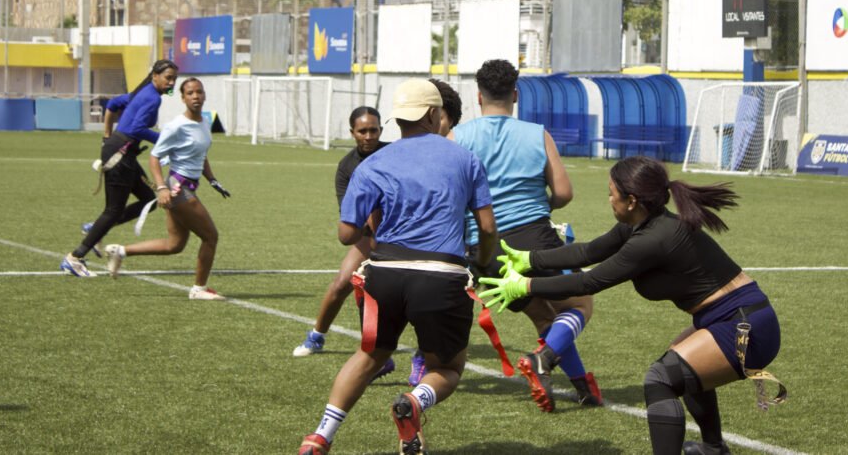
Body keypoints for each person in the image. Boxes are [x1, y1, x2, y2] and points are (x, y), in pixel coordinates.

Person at [481, 156, 783, 455]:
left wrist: (526, 285)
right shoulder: (642, 224)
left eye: (611, 192)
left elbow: (589, 282)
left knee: (661, 380)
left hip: (746, 327)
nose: (609, 198)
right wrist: (530, 260)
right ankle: (713, 448)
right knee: (682, 371)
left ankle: (712, 448)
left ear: (631, 200)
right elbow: (588, 252)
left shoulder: (652, 239)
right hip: (729, 318)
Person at [298, 78, 497, 455]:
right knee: (449, 368)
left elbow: (345, 234)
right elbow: (487, 227)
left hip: (384, 273)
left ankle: (320, 435)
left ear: (397, 119)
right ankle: (415, 402)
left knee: (371, 354)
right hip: (442, 275)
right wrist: (482, 261)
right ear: (435, 114)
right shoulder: (464, 158)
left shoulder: (374, 163)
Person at [450, 59, 601, 412]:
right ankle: (542, 360)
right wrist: (538, 205)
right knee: (580, 305)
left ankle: (583, 389)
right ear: (515, 95)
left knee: (545, 316)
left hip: (482, 248)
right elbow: (563, 193)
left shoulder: (458, 137)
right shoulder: (536, 134)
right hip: (534, 240)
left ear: (478, 96)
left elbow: (452, 198)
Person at [103, 77, 231, 301]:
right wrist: (161, 187)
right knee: (211, 236)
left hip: (189, 186)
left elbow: (201, 155)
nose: (195, 96)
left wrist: (212, 179)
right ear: (182, 98)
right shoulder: (176, 126)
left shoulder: (204, 123)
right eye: (190, 93)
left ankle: (120, 251)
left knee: (175, 245)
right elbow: (155, 157)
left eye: (199, 92)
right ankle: (199, 289)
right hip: (177, 189)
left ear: (204, 95)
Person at [293, 106, 396, 379]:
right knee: (342, 283)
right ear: (352, 133)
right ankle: (316, 335)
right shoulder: (347, 167)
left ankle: (386, 354)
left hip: (402, 234)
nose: (368, 135)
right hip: (369, 236)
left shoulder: (395, 153)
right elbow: (350, 216)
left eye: (374, 130)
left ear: (381, 131)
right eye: (362, 131)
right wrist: (371, 230)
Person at [62, 59, 179, 277]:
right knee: (113, 209)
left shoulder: (144, 93)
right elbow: (138, 128)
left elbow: (114, 105)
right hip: (121, 153)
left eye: (174, 79)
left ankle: (94, 229)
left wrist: (107, 137)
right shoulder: (152, 98)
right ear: (154, 76)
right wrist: (165, 141)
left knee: (148, 199)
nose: (171, 82)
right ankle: (75, 257)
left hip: (122, 151)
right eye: (168, 78)